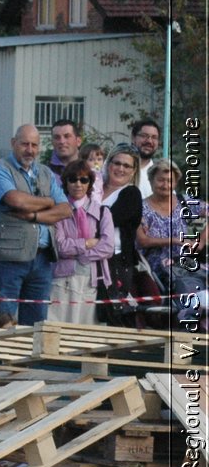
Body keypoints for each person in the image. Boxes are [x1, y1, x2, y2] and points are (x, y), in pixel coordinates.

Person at [0, 123, 70, 325]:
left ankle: (30, 359)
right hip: (8, 259)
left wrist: (34, 216)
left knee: (36, 326)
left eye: (34, 145)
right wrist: (48, 202)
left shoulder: (45, 172)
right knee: (1, 323)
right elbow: (16, 201)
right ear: (13, 143)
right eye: (24, 144)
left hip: (42, 259)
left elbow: (65, 209)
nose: (30, 150)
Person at [49, 160, 115, 324]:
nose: (78, 184)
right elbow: (60, 247)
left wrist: (82, 256)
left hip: (93, 279)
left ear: (90, 183)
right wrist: (86, 244)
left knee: (88, 332)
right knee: (60, 328)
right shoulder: (58, 211)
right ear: (65, 183)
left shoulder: (102, 212)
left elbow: (107, 247)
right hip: (62, 280)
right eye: (72, 179)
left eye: (83, 180)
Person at [100, 145, 146, 319]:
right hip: (87, 258)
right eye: (117, 163)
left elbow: (111, 220)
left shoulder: (131, 194)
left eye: (127, 166)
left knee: (112, 314)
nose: (120, 168)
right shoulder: (93, 188)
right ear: (108, 164)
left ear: (134, 171)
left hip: (116, 261)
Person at [130, 118, 162, 185]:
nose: (149, 141)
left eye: (154, 137)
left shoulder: (159, 177)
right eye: (144, 136)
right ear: (133, 138)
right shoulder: (116, 170)